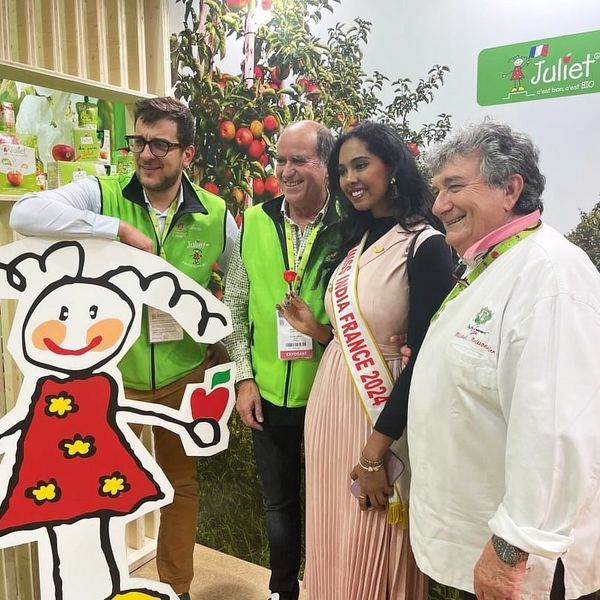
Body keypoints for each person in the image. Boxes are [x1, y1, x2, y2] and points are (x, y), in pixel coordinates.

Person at [10, 96, 238, 600]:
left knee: (180, 489)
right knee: (101, 489)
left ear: (188, 154)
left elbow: (239, 285)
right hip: (113, 380)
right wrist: (114, 228)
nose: (147, 153)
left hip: (184, 374)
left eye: (161, 143)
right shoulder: (102, 193)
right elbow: (26, 212)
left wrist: (230, 354)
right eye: (139, 141)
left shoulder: (216, 215)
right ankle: (104, 588)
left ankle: (175, 588)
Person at [407, 120, 600, 599]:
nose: (438, 205)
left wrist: (513, 548)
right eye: (436, 190)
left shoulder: (552, 275)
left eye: (454, 187)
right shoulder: (490, 263)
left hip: (516, 568)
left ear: (510, 189)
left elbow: (556, 430)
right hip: (471, 549)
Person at [278, 121, 454, 599]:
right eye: (342, 170)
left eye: (361, 165)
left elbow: (425, 359)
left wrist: (376, 449)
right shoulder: (354, 243)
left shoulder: (426, 245)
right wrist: (316, 331)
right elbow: (356, 332)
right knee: (332, 533)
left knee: (373, 534)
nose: (350, 179)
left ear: (392, 166)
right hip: (332, 405)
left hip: (380, 416)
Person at [223, 120, 338, 600]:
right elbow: (235, 300)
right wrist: (243, 378)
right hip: (269, 392)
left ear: (326, 166)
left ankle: (331, 587)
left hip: (330, 395)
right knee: (278, 504)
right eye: (281, 160)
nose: (286, 171)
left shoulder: (350, 228)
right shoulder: (255, 219)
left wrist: (321, 332)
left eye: (300, 161)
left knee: (331, 504)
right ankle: (282, 591)